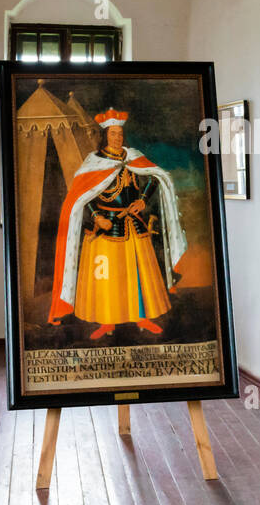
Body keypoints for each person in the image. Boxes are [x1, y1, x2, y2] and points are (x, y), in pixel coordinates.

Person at [47, 108, 188, 339]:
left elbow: (155, 176)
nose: (117, 138)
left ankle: (142, 318)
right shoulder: (95, 162)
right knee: (108, 278)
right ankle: (107, 323)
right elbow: (85, 195)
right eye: (113, 134)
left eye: (120, 134)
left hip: (134, 226)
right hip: (106, 228)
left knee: (138, 274)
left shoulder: (132, 156)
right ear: (105, 136)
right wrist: (96, 217)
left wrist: (143, 201)